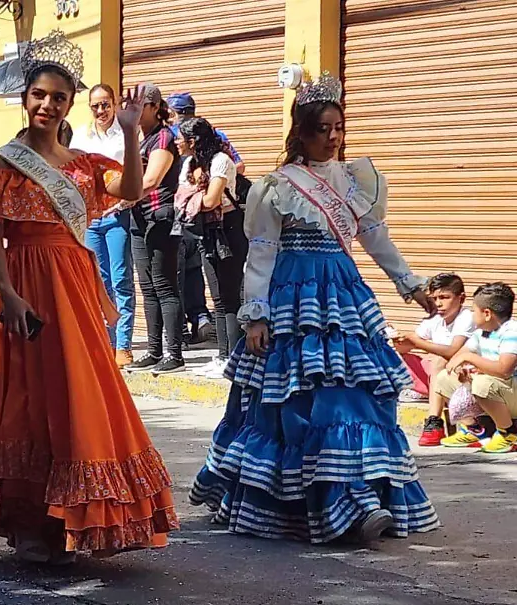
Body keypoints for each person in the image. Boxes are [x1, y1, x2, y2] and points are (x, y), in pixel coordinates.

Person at [0, 31, 178, 565]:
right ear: (25, 99)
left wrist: (130, 134)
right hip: (23, 286)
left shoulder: (83, 165)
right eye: (39, 95)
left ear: (68, 105)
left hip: (73, 287)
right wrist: (9, 297)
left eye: (58, 98)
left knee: (77, 392)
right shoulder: (4, 165)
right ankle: (29, 521)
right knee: (20, 399)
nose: (47, 105)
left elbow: (131, 190)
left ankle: (76, 515)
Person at [189, 73, 440, 544]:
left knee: (353, 395)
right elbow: (260, 253)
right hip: (293, 300)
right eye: (322, 129)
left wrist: (412, 285)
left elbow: (376, 241)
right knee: (294, 403)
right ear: (301, 133)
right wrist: (257, 314)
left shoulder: (356, 181)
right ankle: (323, 504)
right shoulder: (276, 187)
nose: (332, 138)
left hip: (342, 298)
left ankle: (361, 500)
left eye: (338, 128)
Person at [174, 117, 248, 378]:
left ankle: (236, 358)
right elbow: (182, 197)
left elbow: (210, 199)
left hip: (228, 230)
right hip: (205, 230)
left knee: (230, 296)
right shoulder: (189, 164)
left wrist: (193, 197)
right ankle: (223, 356)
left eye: (180, 137)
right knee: (216, 296)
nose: (176, 141)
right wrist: (194, 198)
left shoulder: (221, 161)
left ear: (193, 141)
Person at [71, 83, 137, 365]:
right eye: (96, 105)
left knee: (121, 279)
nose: (101, 110)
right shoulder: (80, 137)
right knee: (99, 282)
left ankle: (123, 345)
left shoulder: (125, 136)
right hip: (91, 219)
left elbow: (137, 171)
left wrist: (126, 199)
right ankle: (105, 343)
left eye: (106, 104)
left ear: (114, 104)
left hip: (118, 214)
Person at [126, 85, 185, 374]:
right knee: (148, 288)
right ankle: (154, 350)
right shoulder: (142, 140)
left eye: (138, 106)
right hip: (139, 218)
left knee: (164, 285)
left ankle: (174, 354)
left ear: (153, 107)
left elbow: (151, 180)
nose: (133, 112)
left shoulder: (163, 137)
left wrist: (119, 199)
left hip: (160, 216)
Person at [433, 283, 517, 453]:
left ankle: (508, 433)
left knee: (483, 383)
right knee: (443, 378)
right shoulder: (481, 333)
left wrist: (471, 359)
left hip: (510, 391)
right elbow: (456, 360)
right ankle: (473, 428)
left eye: (474, 310)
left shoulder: (511, 332)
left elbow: (504, 370)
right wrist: (462, 370)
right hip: (495, 391)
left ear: (486, 313)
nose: (472, 315)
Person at [393, 273, 474, 445]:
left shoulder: (467, 317)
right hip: (439, 377)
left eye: (445, 297)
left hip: (460, 378)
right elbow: (409, 345)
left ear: (461, 298)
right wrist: (399, 340)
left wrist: (418, 343)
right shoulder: (435, 319)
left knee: (439, 360)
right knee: (400, 356)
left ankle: (434, 421)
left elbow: (453, 351)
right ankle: (426, 393)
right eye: (435, 298)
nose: (439, 304)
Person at [166, 93, 245, 174]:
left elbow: (239, 166)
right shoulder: (215, 133)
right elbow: (239, 166)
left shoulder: (168, 135)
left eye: (168, 114)